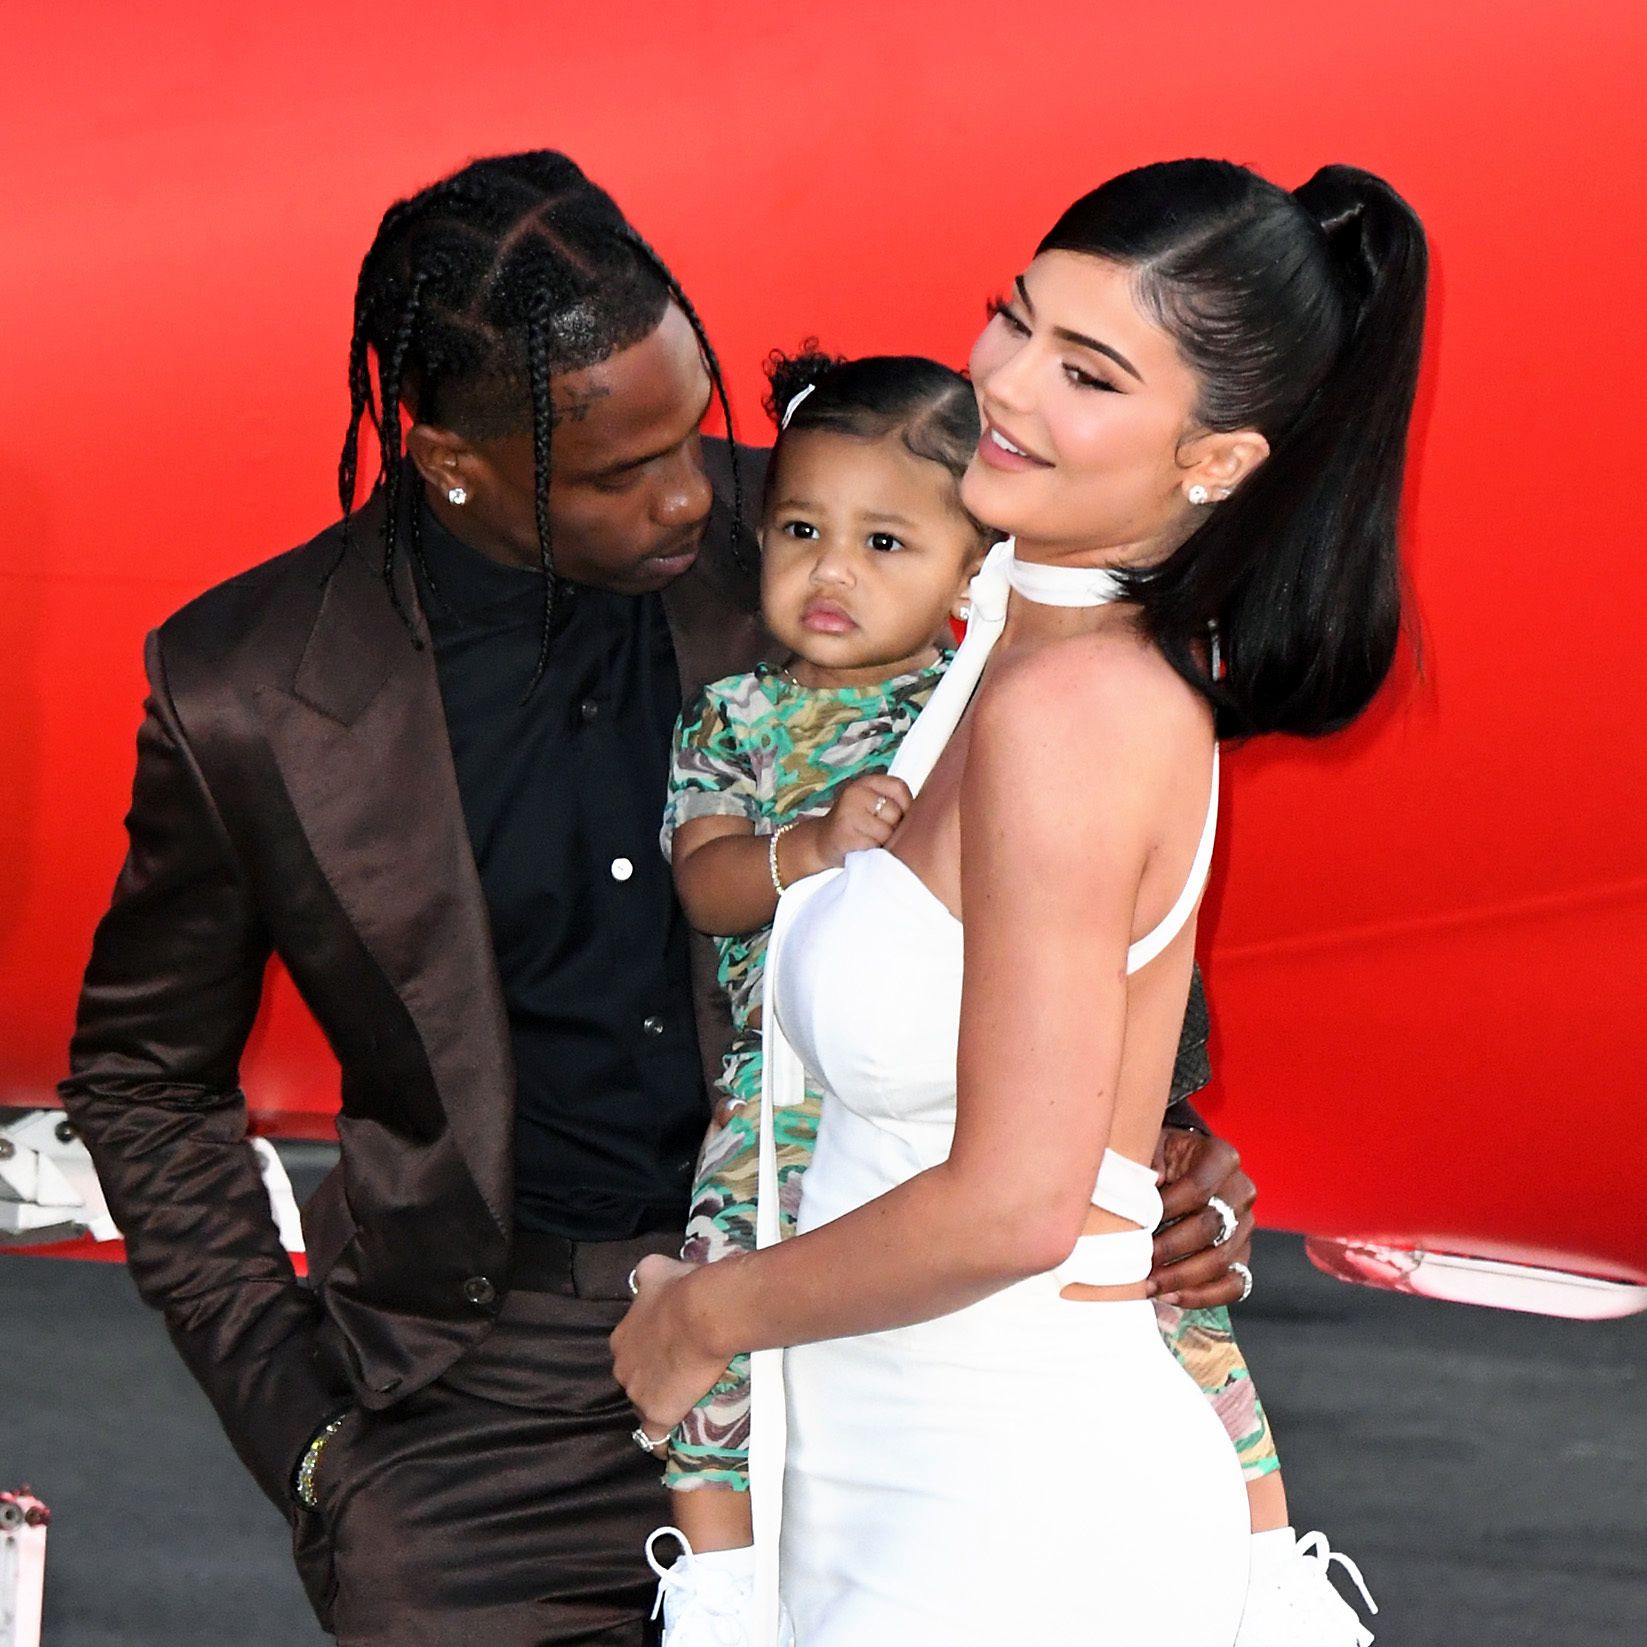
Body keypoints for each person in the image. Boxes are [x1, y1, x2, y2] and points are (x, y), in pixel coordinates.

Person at [58, 150, 1256, 1646]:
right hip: (482, 1428)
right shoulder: (246, 686)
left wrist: (1153, 1143)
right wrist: (309, 1442)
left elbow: (1060, 829)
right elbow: (145, 1081)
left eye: (699, 431)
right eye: (622, 471)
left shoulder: (849, 530)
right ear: (447, 456)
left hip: (857, 1330)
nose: (700, 495)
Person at [613, 157, 1427, 1646]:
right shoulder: (991, 630)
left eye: (1090, 372)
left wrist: (699, 1319)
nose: (1007, 382)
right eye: (1015, 316)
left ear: (1219, 462)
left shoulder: (1080, 713)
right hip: (883, 1479)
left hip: (1008, 1521)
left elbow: (1017, 1201)